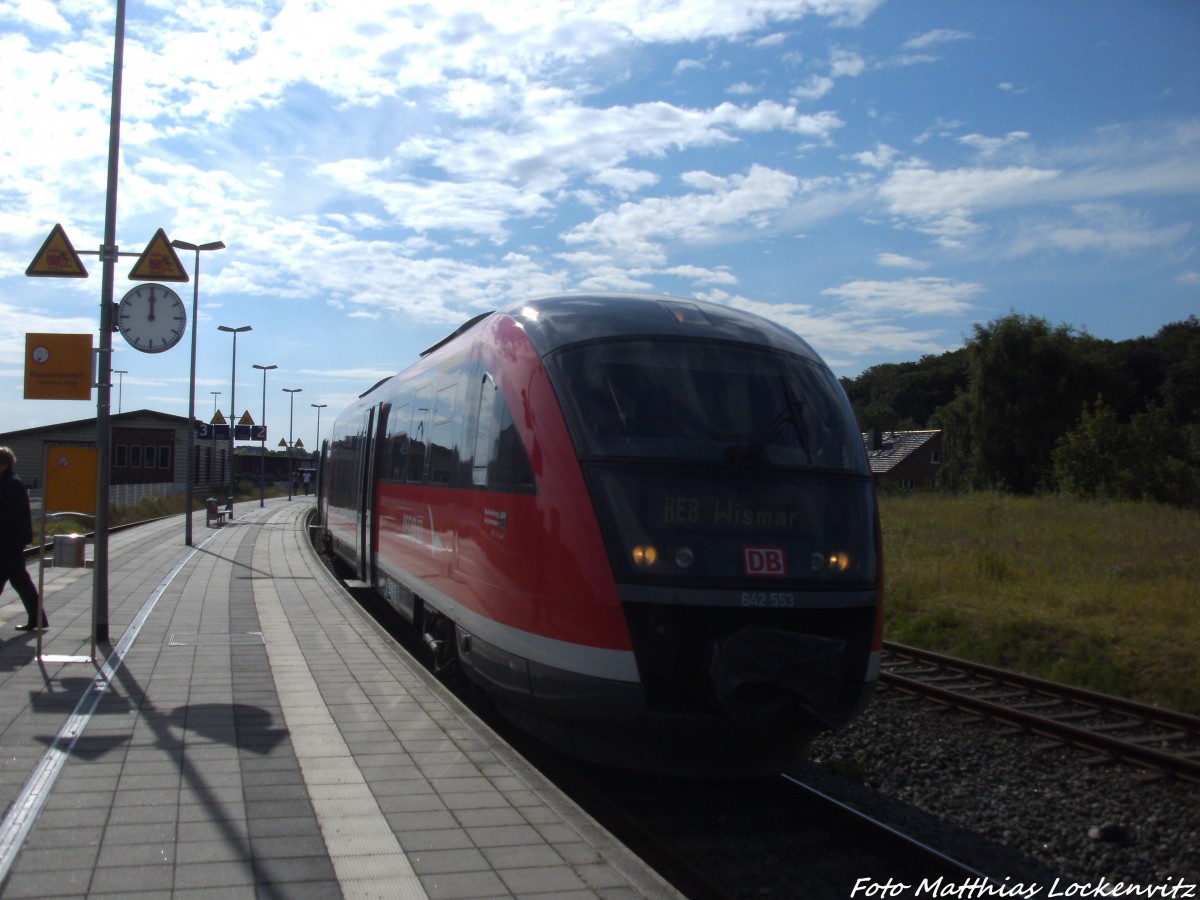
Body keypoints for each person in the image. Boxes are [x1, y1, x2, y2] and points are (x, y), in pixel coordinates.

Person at [0, 447, 46, 632]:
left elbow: (10, 516)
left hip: (8, 541)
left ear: (4, 464)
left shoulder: (11, 484)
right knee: (21, 580)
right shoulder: (8, 482)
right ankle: (38, 618)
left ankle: (37, 618)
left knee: (19, 580)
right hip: (10, 540)